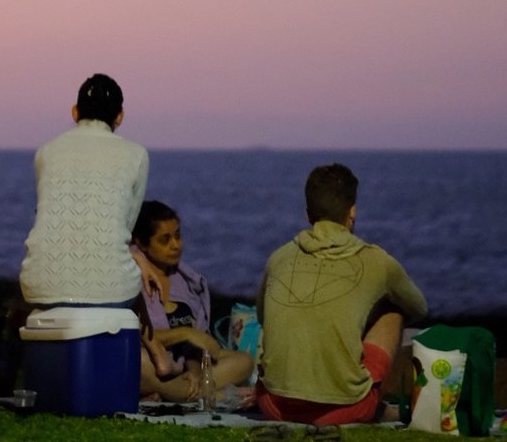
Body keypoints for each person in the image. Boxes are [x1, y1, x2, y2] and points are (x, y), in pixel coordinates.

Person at [255, 162, 428, 426]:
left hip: (273, 404)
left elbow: (262, 316)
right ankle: (372, 401)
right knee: (393, 311)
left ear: (307, 214)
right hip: (346, 410)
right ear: (352, 212)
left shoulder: (278, 257)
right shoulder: (377, 261)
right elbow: (418, 308)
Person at [19, 73, 148, 307]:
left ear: (75, 112)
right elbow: (125, 227)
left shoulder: (46, 152)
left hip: (40, 284)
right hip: (112, 290)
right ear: (120, 117)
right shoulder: (137, 155)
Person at [133, 200, 254, 401]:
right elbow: (138, 335)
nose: (175, 245)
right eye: (165, 240)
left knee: (243, 361)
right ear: (142, 245)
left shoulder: (188, 283)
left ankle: (182, 391)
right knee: (139, 361)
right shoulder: (132, 279)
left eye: (178, 236)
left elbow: (196, 347)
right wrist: (185, 333)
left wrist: (195, 372)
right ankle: (212, 396)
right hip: (153, 364)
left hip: (182, 369)